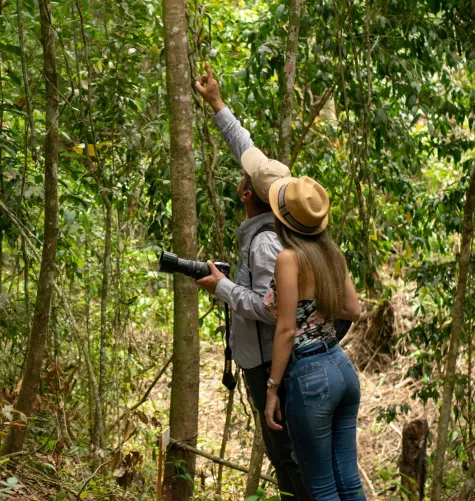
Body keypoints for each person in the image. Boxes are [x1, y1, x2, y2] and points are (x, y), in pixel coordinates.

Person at [194, 63, 310, 501]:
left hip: (268, 366)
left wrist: (222, 287)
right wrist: (218, 104)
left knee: (286, 459)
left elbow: (271, 307)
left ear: (246, 194)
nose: (242, 174)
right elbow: (247, 150)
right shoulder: (284, 221)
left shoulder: (265, 244)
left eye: (244, 178)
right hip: (271, 362)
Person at [262, 175, 365, 501]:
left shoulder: (289, 259)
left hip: (310, 377)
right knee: (349, 481)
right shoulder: (332, 254)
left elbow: (287, 329)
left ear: (283, 222)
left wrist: (272, 388)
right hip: (341, 367)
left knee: (321, 487)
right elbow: (353, 309)